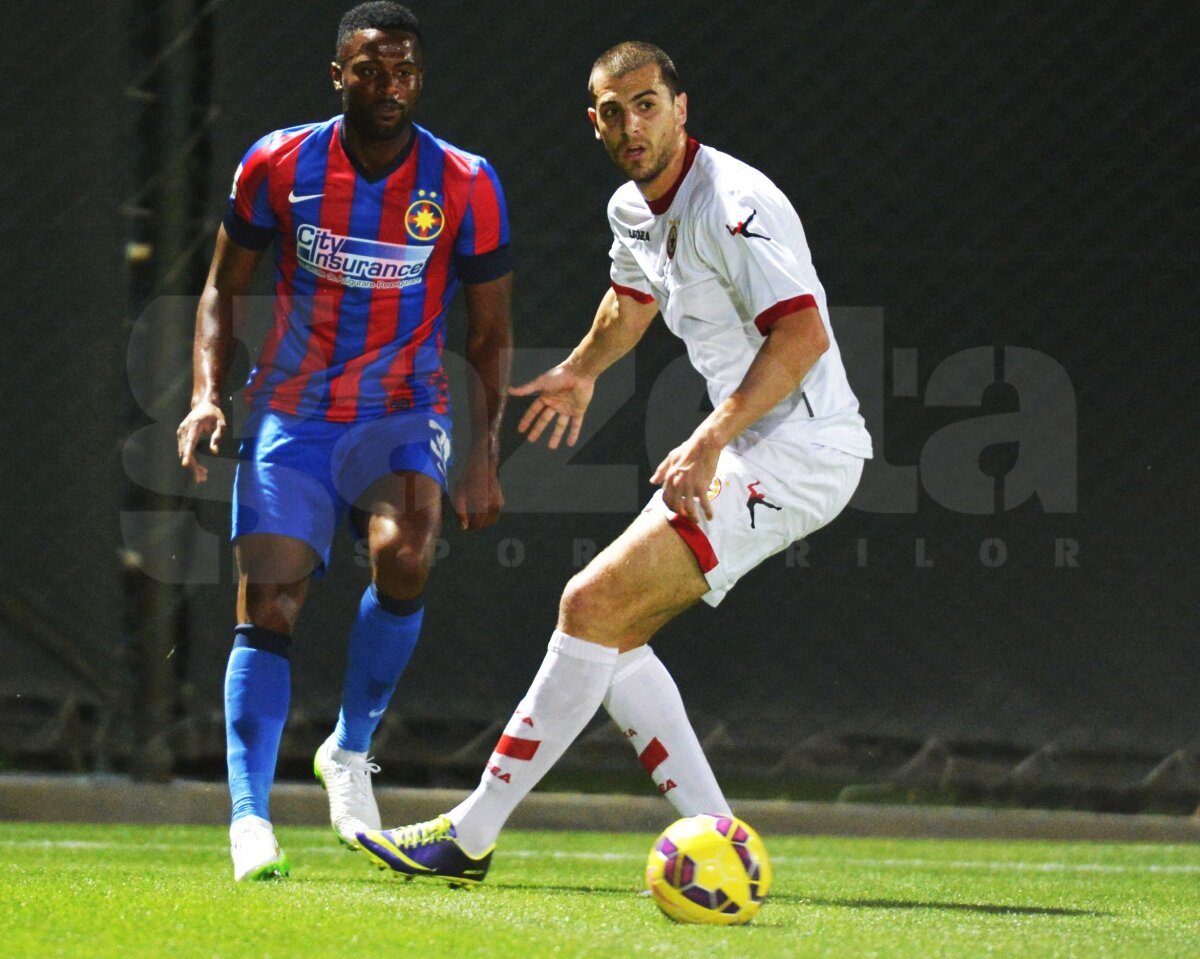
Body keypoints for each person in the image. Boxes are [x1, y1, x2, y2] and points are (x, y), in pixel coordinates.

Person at [358, 40, 871, 885]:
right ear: (592, 122)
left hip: (801, 447)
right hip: (754, 441)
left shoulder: (733, 201)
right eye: (612, 110)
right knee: (613, 632)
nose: (631, 124)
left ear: (679, 107)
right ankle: (723, 843)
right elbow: (632, 296)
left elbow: (804, 334)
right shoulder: (632, 209)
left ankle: (469, 835)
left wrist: (707, 440)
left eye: (645, 104)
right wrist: (584, 369)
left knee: (588, 602)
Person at [175, 2, 513, 881]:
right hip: (293, 412)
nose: (388, 86)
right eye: (370, 70)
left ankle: (349, 750)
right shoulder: (278, 163)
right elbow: (221, 288)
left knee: (405, 556)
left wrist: (481, 455)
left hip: (403, 408)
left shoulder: (466, 183)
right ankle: (250, 819)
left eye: (403, 70)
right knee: (273, 597)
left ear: (419, 78)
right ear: (339, 75)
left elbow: (488, 333)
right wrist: (206, 394)